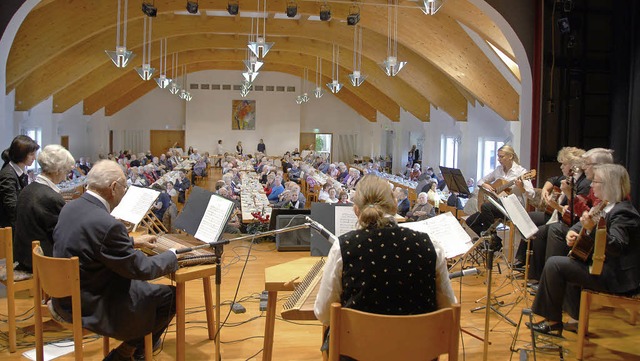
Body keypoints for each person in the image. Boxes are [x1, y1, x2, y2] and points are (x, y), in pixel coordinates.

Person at [52, 160, 178, 361]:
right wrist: (172, 255)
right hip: (93, 305)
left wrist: (131, 241)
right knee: (171, 296)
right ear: (113, 188)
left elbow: (91, 240)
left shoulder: (71, 207)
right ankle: (129, 352)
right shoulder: (108, 224)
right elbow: (141, 269)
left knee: (143, 290)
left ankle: (135, 348)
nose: (124, 192)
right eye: (124, 188)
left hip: (65, 298)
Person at [314, 175, 456, 327]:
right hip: (418, 347)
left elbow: (324, 313)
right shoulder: (431, 245)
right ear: (395, 205)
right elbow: (448, 307)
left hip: (358, 347)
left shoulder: (343, 247)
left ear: (356, 210)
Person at [528, 164, 640, 336]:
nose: (592, 185)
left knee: (555, 264)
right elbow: (586, 221)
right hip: (601, 266)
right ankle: (571, 319)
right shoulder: (605, 205)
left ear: (609, 184)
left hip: (615, 276)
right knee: (568, 260)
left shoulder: (624, 212)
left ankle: (552, 322)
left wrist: (592, 229)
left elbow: (617, 246)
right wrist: (574, 231)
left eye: (596, 181)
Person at [13, 145, 74, 271]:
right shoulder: (50, 197)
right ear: (57, 170)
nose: (65, 176)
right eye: (66, 171)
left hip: (23, 254)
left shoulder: (28, 189)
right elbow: (62, 235)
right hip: (39, 260)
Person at [464, 145, 534, 250]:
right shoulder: (498, 170)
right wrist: (486, 185)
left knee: (486, 207)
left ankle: (493, 240)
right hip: (497, 205)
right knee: (470, 221)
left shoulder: (521, 172)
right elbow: (480, 181)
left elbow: (531, 194)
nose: (498, 159)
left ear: (510, 156)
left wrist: (521, 188)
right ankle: (493, 240)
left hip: (513, 207)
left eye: (501, 157)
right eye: (498, 156)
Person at [0, 135, 40, 229]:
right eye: (31, 154)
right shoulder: (8, 175)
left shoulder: (20, 170)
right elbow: (12, 208)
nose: (34, 158)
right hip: (11, 229)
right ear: (21, 154)